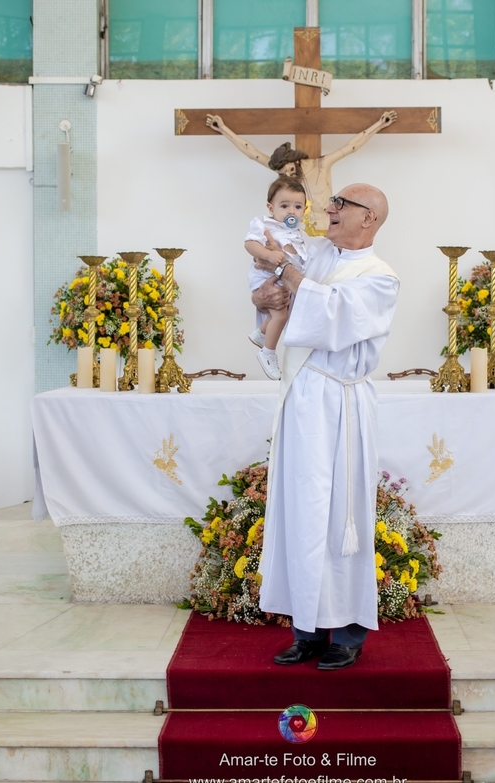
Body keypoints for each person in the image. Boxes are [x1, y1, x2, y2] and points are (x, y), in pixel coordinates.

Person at [254, 184, 400, 672]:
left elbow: (330, 315)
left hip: (340, 402)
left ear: (371, 219)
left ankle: (351, 632)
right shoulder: (318, 254)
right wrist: (266, 291)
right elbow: (274, 282)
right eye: (332, 202)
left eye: (343, 204)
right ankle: (306, 631)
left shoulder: (380, 277)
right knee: (301, 509)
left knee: (340, 513)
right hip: (301, 397)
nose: (330, 209)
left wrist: (291, 276)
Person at [206, 111, 397, 234]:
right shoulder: (284, 173)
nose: (287, 175)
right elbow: (252, 153)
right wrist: (223, 129)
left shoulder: (322, 164)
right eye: (282, 173)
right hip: (299, 234)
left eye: (289, 169)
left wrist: (379, 125)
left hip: (328, 230)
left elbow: (352, 146)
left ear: (295, 161)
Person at [245, 178, 309, 380]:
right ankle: (268, 353)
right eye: (284, 206)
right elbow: (249, 244)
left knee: (285, 310)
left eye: (297, 206)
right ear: (270, 207)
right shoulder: (264, 225)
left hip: (281, 279)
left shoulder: (297, 232)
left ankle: (260, 334)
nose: (291, 211)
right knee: (281, 315)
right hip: (265, 277)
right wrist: (268, 255)